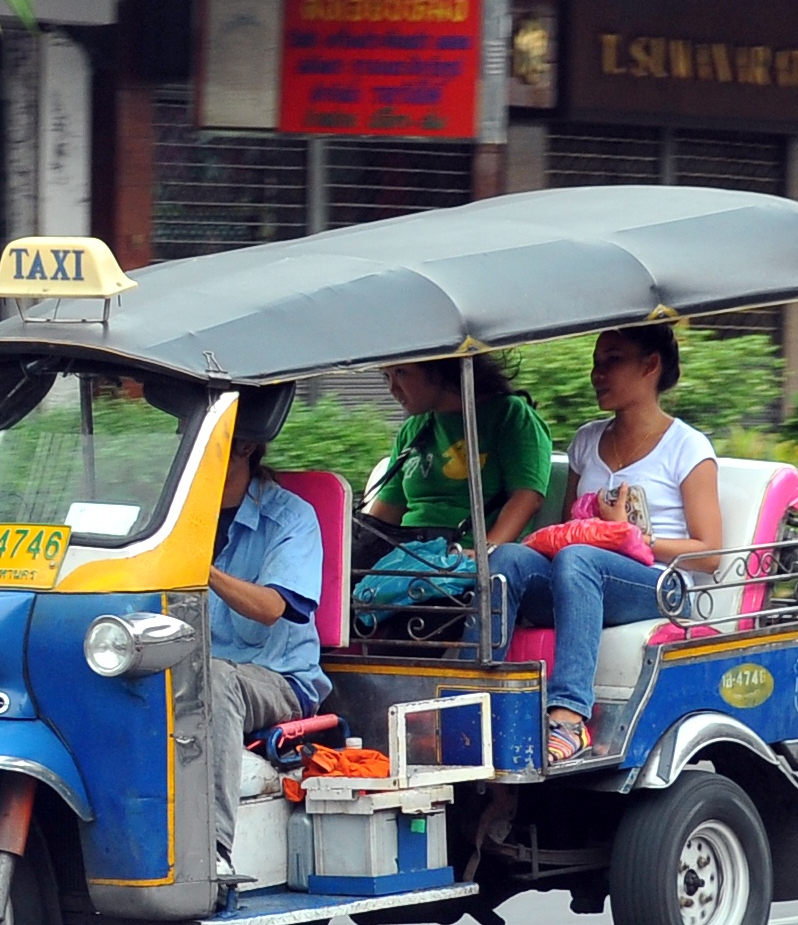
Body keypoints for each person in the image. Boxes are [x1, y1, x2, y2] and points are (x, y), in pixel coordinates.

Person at [477, 325, 723, 763]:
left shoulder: (687, 447)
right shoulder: (588, 440)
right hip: (584, 576)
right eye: (596, 361)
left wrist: (633, 537)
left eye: (613, 360)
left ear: (651, 366)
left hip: (658, 586)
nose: (597, 373)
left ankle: (569, 717)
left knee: (579, 558)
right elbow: (568, 526)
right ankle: (471, 697)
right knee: (508, 558)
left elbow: (709, 553)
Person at [208, 438, 330, 871]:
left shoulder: (291, 517)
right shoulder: (177, 514)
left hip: (278, 679)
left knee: (213, 678)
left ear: (242, 448)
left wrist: (201, 569)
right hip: (192, 668)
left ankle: (213, 851)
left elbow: (270, 608)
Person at [358, 356, 553, 569]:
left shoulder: (509, 415)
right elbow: (384, 515)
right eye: (386, 376)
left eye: (401, 372)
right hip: (407, 559)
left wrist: (484, 551)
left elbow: (526, 497)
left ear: (438, 368)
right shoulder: (413, 429)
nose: (393, 388)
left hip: (465, 559)